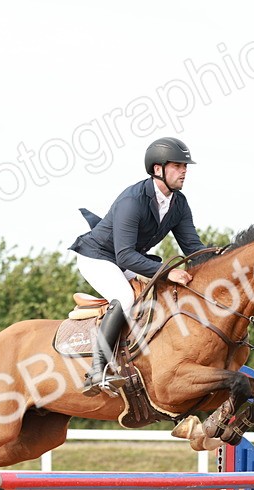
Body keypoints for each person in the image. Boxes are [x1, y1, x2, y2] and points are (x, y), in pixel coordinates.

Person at [69, 136, 207, 395]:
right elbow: (124, 257)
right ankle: (97, 371)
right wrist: (167, 272)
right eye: (177, 165)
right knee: (124, 297)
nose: (184, 171)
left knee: (165, 293)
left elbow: (193, 247)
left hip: (127, 257)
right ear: (158, 169)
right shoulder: (133, 200)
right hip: (98, 256)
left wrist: (225, 259)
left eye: (185, 166)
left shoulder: (179, 203)